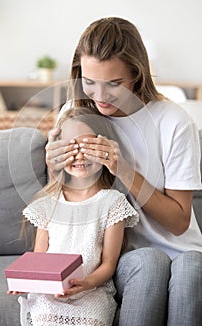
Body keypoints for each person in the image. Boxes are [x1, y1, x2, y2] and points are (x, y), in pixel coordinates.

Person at [45, 17, 202, 326]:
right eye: (90, 81)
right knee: (150, 263)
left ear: (136, 75)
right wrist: (54, 169)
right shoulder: (75, 114)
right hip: (116, 255)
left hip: (181, 248)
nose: (99, 96)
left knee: (191, 271)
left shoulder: (173, 122)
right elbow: (63, 208)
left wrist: (124, 171)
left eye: (114, 84)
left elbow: (180, 222)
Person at [9, 107, 139, 326]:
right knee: (45, 319)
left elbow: (108, 263)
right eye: (71, 147)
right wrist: (28, 281)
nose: (79, 155)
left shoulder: (112, 202)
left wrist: (87, 283)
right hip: (51, 293)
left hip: (92, 291)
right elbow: (39, 258)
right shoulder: (48, 204)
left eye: (87, 147)